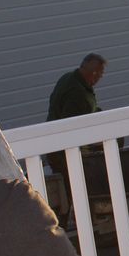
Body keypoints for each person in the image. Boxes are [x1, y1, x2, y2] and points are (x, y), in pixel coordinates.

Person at [45, 53, 108, 224]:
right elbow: (72, 125)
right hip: (64, 152)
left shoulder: (69, 79)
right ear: (93, 72)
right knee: (71, 191)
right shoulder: (77, 92)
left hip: (55, 147)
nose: (100, 78)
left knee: (66, 192)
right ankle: (71, 227)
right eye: (100, 74)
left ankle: (67, 225)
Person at [47, 53, 106, 122]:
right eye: (101, 74)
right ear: (94, 74)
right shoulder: (78, 94)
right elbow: (71, 123)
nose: (101, 77)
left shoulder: (67, 76)